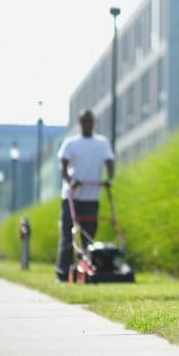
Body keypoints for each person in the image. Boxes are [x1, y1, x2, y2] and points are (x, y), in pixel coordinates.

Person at [54, 109, 115, 282]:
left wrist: (109, 179)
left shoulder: (102, 143)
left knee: (89, 235)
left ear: (93, 122)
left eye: (89, 121)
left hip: (91, 196)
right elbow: (63, 167)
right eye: (84, 122)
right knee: (68, 235)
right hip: (72, 196)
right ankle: (62, 273)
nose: (87, 124)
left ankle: (88, 268)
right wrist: (70, 180)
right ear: (80, 123)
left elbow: (110, 162)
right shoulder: (71, 143)